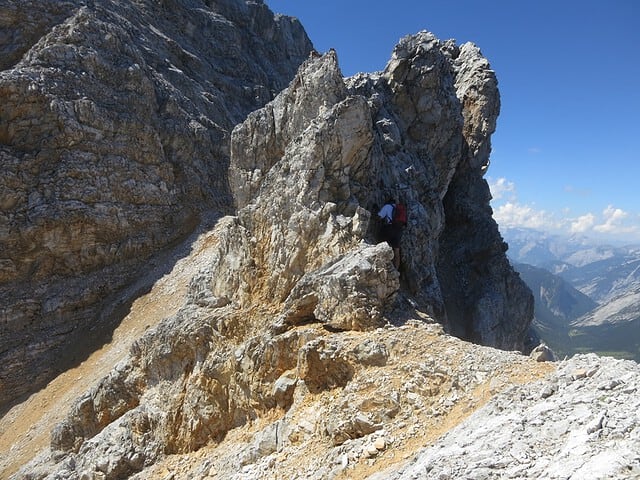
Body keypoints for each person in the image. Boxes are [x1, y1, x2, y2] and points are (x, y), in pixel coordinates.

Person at [377, 198, 403, 269]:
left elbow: (379, 216)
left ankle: (384, 267)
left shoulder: (387, 206)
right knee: (396, 251)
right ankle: (396, 270)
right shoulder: (400, 209)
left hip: (389, 229)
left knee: (383, 247)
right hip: (399, 231)